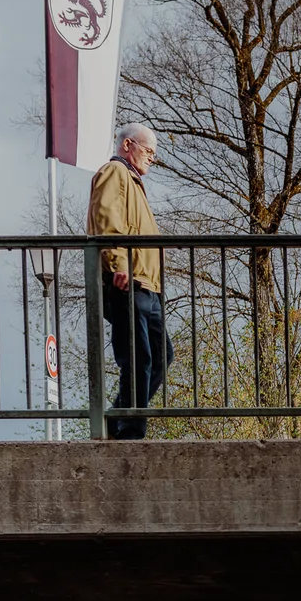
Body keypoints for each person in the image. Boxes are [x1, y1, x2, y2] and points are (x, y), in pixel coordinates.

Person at [88, 122, 172, 440]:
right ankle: (130, 430)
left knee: (162, 356)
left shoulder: (134, 182)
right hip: (129, 282)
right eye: (148, 150)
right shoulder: (115, 173)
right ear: (127, 146)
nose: (151, 157)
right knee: (138, 357)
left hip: (148, 287)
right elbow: (107, 219)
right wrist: (118, 263)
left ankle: (117, 418)